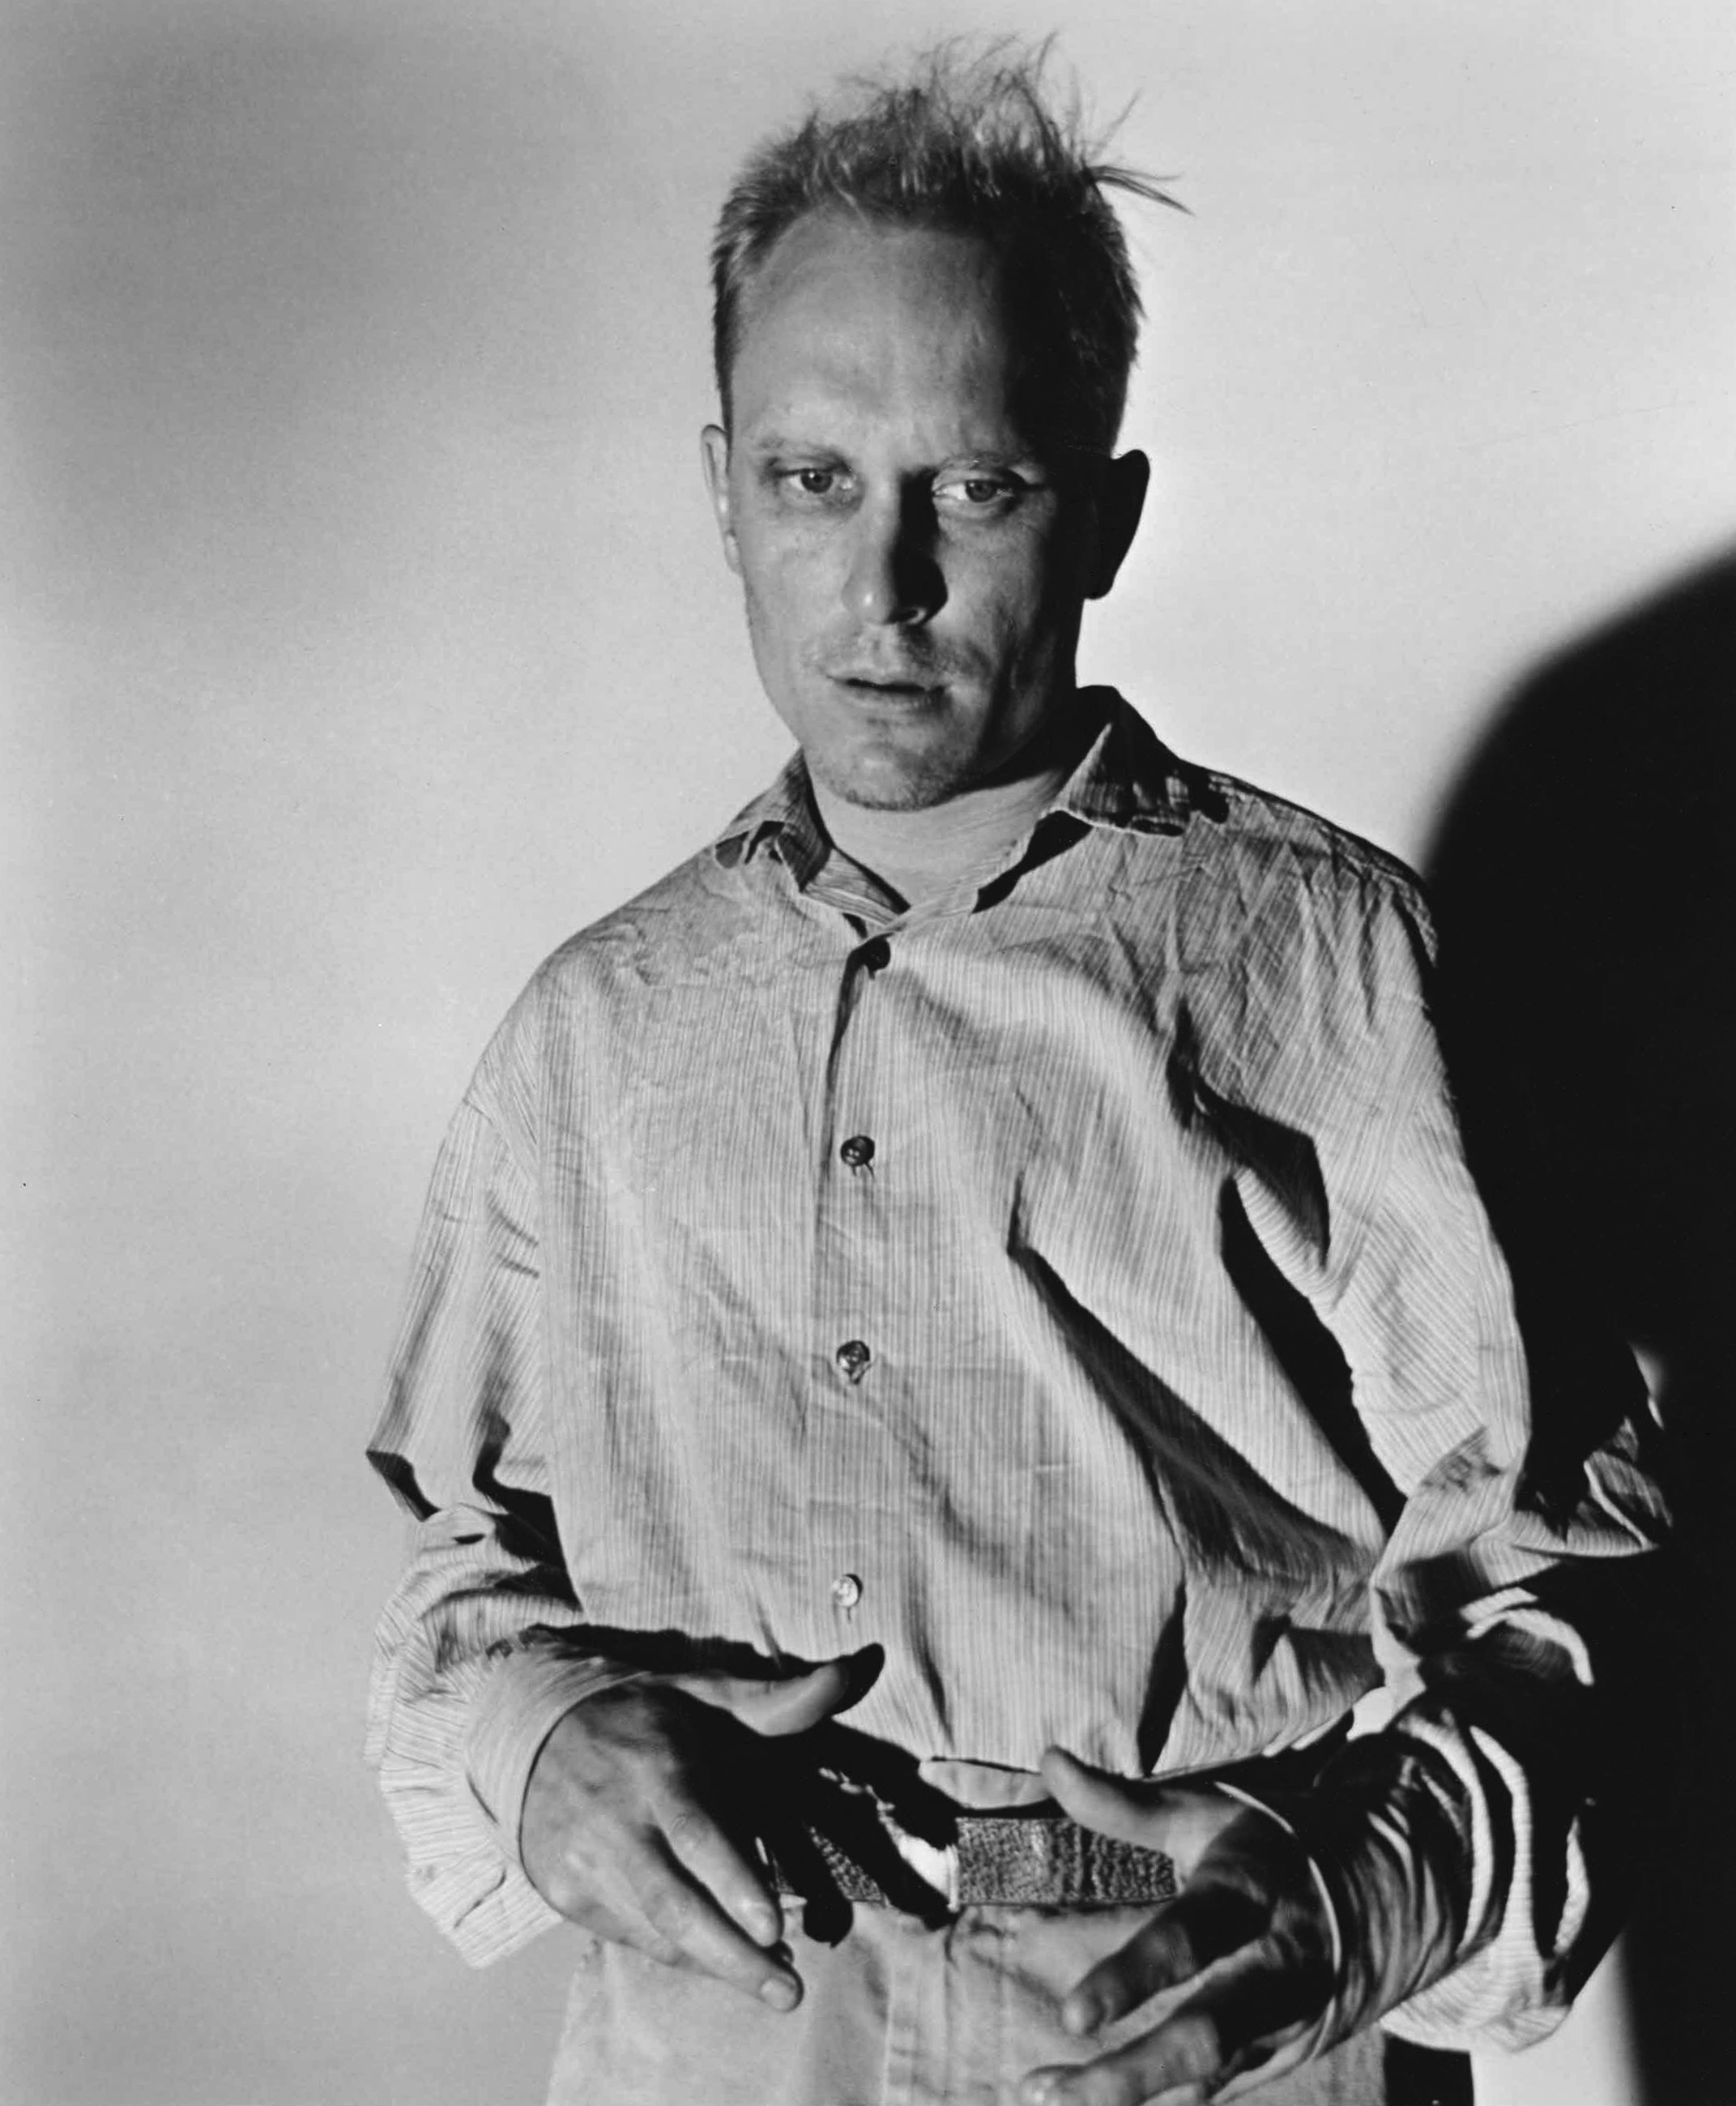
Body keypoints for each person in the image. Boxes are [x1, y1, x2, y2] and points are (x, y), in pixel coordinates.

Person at [365, 44, 1666, 2106]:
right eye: (811, 480)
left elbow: (1574, 1587)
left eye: (975, 488)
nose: (884, 584)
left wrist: (1361, 1896)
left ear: (1107, 515)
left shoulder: (1334, 965)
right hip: (728, 2015)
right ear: (720, 492)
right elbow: (461, 1562)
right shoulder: (593, 1028)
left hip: (1197, 1999)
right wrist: (530, 1743)